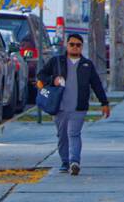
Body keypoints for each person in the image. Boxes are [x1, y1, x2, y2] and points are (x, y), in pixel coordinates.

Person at [37, 30, 110, 175]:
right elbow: (41, 75)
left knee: (74, 133)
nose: (75, 47)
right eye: (72, 44)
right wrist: (53, 80)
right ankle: (65, 162)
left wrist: (104, 103)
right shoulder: (57, 61)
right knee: (62, 135)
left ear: (82, 47)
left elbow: (96, 84)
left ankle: (74, 161)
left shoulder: (87, 65)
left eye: (78, 45)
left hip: (79, 108)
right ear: (67, 45)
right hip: (59, 106)